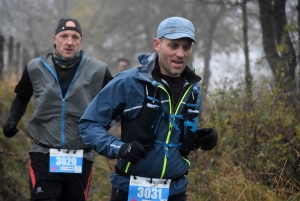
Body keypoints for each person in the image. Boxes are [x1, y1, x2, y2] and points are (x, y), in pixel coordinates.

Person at [79, 16, 218, 201]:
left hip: (174, 191)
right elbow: (89, 124)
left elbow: (174, 136)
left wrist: (199, 138)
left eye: (186, 47)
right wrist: (120, 148)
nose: (180, 54)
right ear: (157, 44)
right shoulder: (128, 82)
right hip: (130, 189)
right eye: (173, 46)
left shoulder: (193, 90)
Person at [2, 18, 113, 201]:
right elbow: (21, 97)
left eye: (74, 37)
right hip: (44, 152)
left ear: (81, 41)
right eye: (64, 36)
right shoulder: (35, 67)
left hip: (80, 155)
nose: (69, 42)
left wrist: (101, 129)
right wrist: (12, 120)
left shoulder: (98, 70)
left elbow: (115, 102)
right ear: (55, 39)